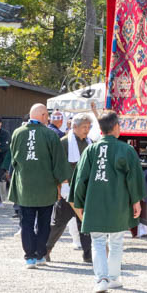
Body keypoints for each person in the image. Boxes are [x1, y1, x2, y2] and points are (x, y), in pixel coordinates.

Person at [71, 110, 146, 292]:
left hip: (94, 203)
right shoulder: (126, 150)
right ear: (116, 127)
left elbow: (80, 179)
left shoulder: (90, 150)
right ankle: (113, 278)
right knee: (116, 241)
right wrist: (136, 201)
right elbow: (133, 179)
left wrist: (78, 203)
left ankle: (101, 279)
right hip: (119, 203)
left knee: (97, 241)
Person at [9, 104, 70, 268]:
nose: (48, 119)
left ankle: (29, 257)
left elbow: (14, 160)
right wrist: (63, 183)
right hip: (46, 187)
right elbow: (58, 162)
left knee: (26, 223)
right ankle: (40, 254)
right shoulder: (50, 135)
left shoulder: (17, 133)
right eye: (47, 116)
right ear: (43, 115)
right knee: (44, 222)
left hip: (25, 188)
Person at [45, 112, 94, 263]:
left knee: (85, 223)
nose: (86, 130)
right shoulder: (64, 142)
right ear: (75, 127)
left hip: (84, 190)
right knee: (58, 223)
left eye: (88, 127)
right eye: (84, 127)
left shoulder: (90, 143)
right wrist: (61, 187)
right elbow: (57, 166)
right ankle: (46, 250)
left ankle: (88, 254)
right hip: (68, 189)